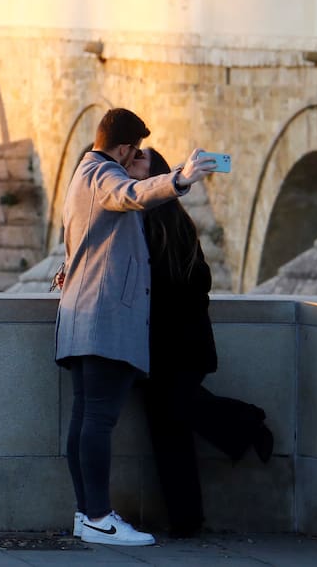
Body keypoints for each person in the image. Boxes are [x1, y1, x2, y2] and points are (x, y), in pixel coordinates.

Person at [55, 108, 216, 546]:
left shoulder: (82, 174)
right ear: (124, 147)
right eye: (136, 150)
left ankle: (86, 514)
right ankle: (97, 516)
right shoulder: (103, 172)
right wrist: (180, 178)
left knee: (85, 418)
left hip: (81, 317)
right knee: (98, 420)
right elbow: (128, 194)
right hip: (103, 321)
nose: (135, 157)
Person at [136, 147, 274, 539]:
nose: (129, 170)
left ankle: (249, 422)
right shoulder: (165, 224)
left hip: (175, 345)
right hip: (167, 346)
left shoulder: (164, 226)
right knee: (169, 430)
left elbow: (194, 284)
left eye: (137, 166)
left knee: (175, 416)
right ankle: (186, 519)